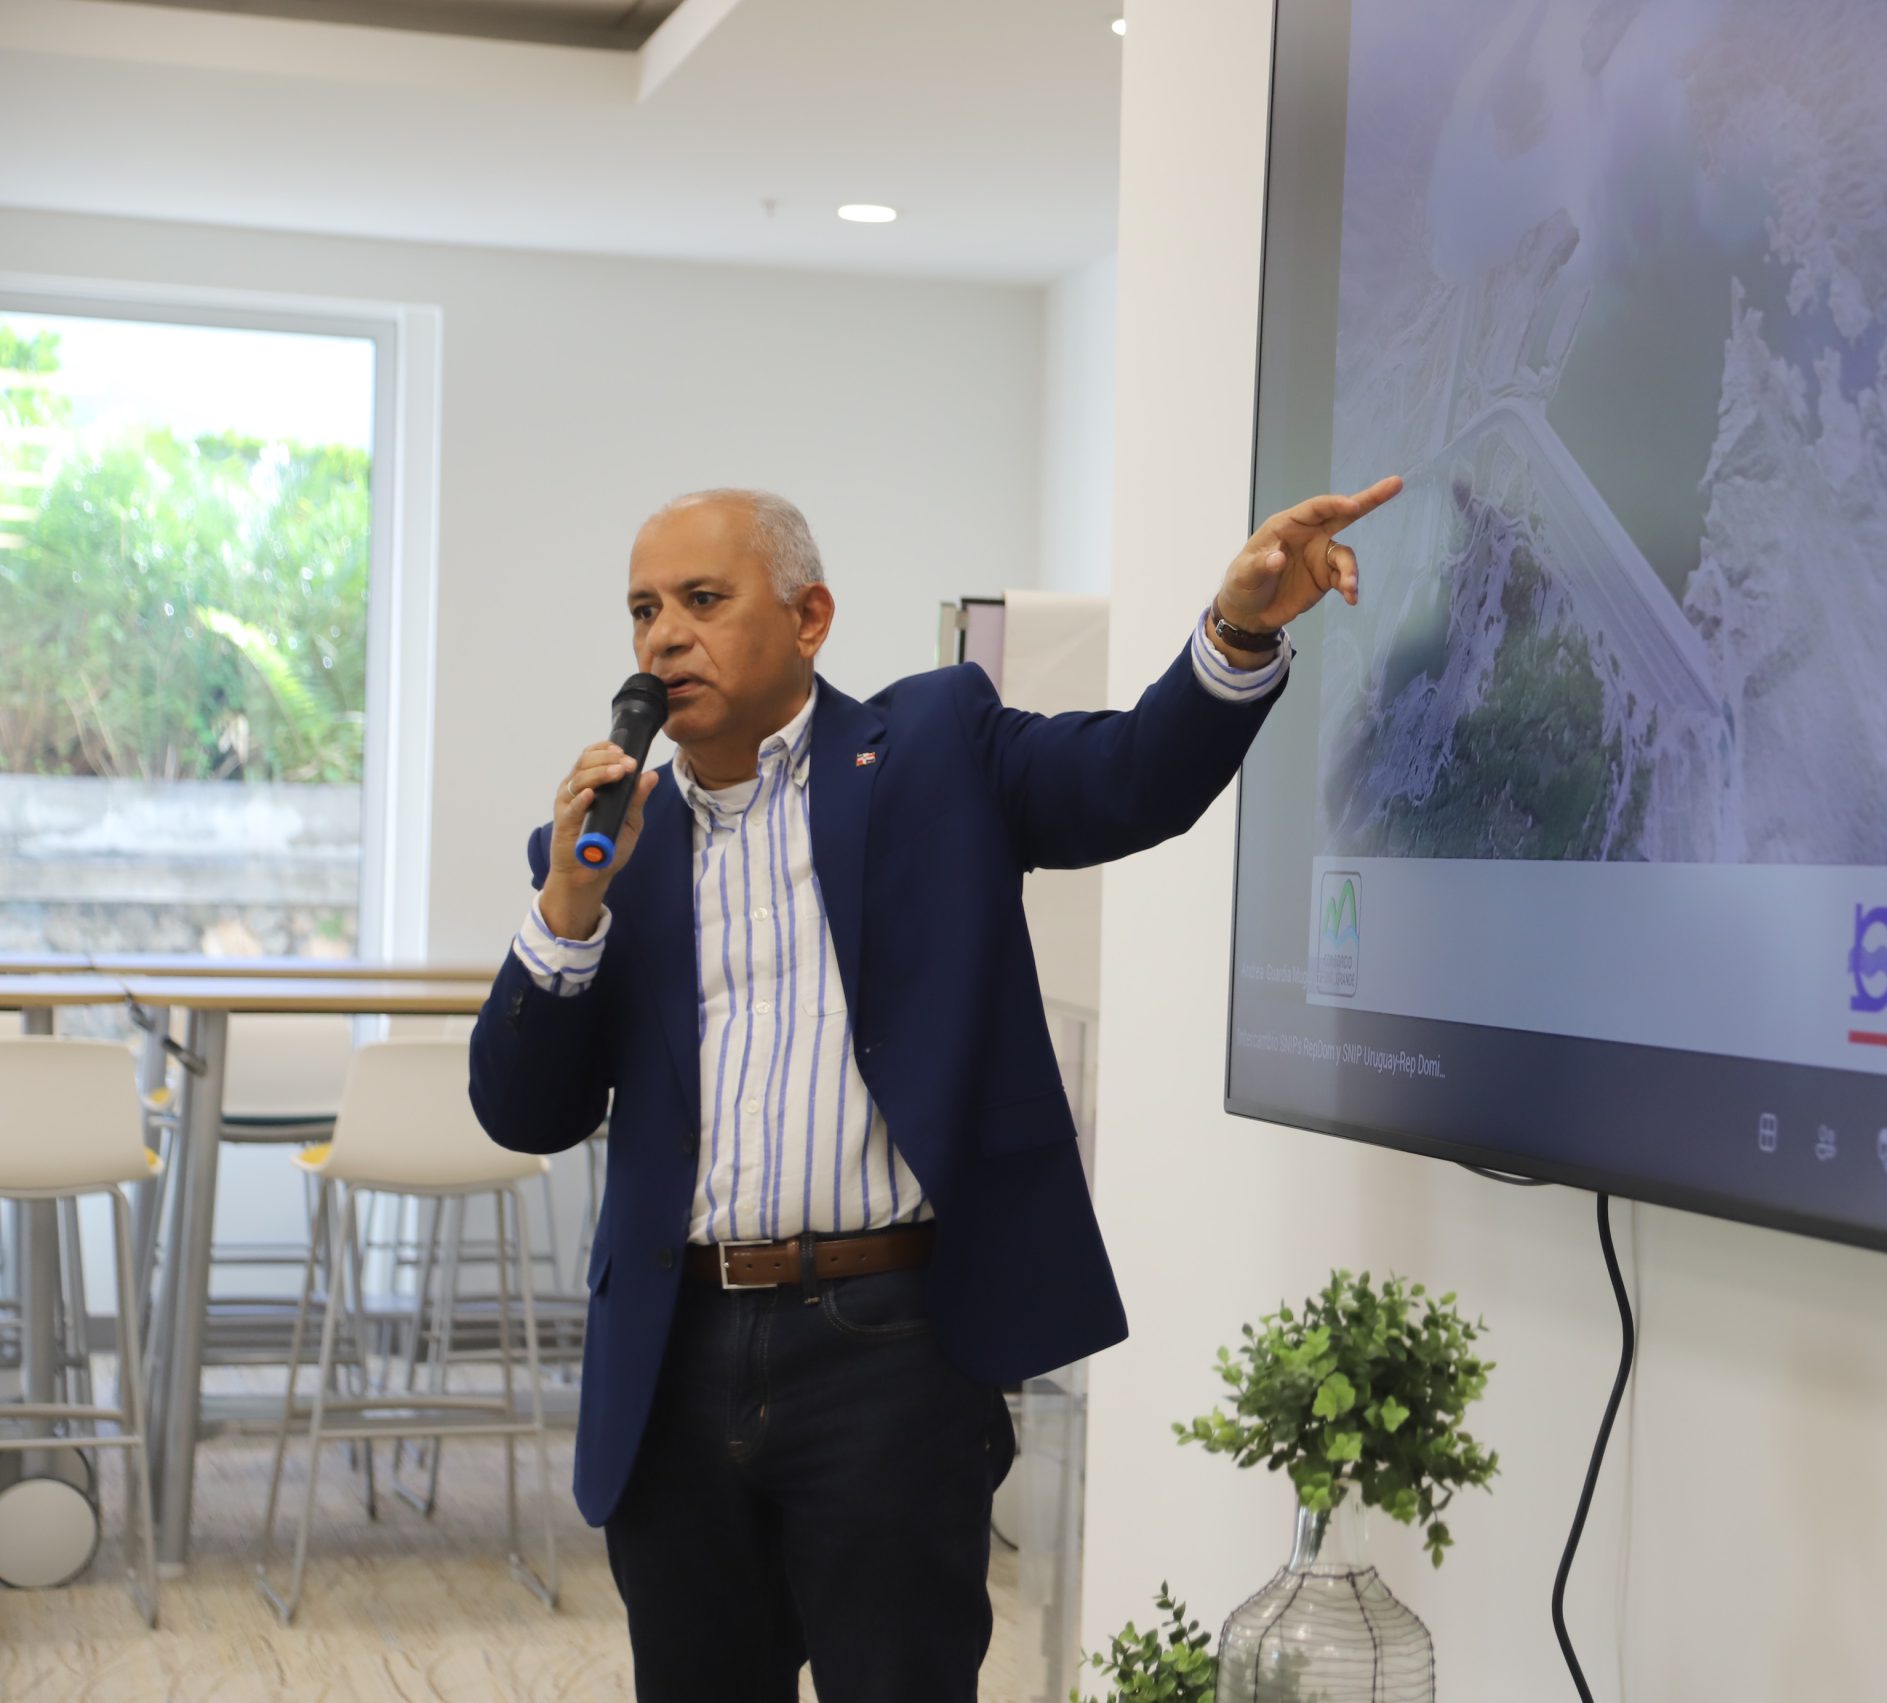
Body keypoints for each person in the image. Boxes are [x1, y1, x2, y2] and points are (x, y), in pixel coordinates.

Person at [467, 476, 1399, 1701]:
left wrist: (1235, 630)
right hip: (675, 1353)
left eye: (701, 599)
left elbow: (1132, 776)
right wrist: (566, 909)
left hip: (886, 1348)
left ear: (809, 618)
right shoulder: (604, 849)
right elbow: (525, 1112)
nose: (664, 638)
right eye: (644, 611)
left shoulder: (936, 749)